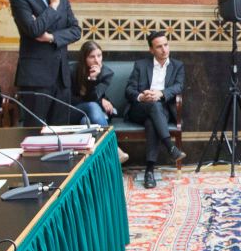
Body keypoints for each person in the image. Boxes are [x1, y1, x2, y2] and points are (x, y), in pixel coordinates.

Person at [10, 0, 81, 126]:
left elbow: (76, 31)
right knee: (35, 133)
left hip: (62, 77)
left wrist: (51, 37)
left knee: (61, 133)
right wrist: (53, 5)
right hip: (36, 78)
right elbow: (33, 30)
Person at [125, 31, 185, 188]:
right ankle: (170, 146)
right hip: (139, 108)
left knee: (152, 121)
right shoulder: (141, 65)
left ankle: (149, 171)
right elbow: (129, 89)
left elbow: (179, 86)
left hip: (162, 110)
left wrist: (161, 94)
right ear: (151, 50)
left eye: (166, 45)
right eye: (159, 47)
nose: (164, 49)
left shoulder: (177, 65)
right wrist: (141, 96)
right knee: (152, 105)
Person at [69, 41, 132, 165]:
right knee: (92, 106)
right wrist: (100, 98)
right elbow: (71, 99)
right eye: (92, 57)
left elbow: (93, 96)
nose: (97, 60)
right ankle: (114, 149)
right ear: (84, 58)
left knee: (86, 122)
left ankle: (94, 164)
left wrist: (93, 79)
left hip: (90, 113)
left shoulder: (106, 73)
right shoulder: (72, 70)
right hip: (72, 110)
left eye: (99, 55)